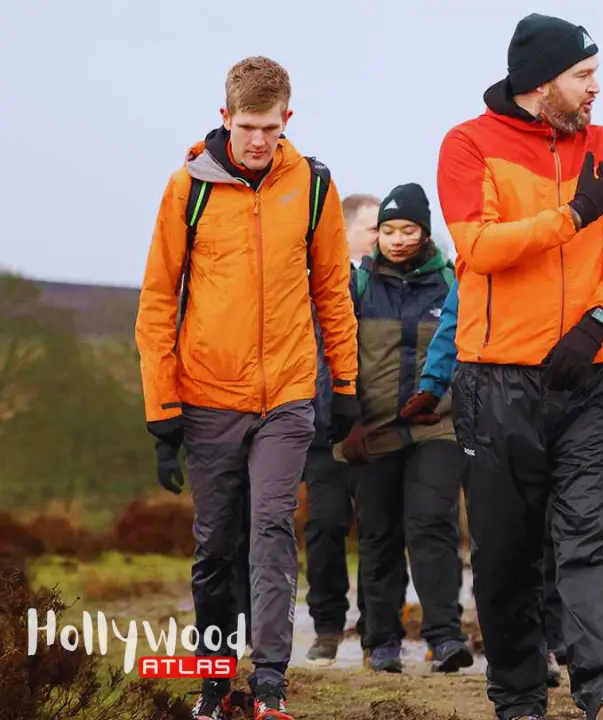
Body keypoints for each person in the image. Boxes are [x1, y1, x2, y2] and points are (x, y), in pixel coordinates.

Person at [431, 12, 603, 720]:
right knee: (505, 552)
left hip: (591, 376)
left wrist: (597, 325)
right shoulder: (467, 145)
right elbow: (479, 246)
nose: (596, 87)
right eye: (583, 75)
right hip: (495, 381)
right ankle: (520, 694)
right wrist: (571, 214)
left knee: (590, 535)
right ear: (541, 82)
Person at [136, 56, 359, 720]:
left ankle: (269, 682)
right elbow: (156, 301)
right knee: (216, 544)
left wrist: (342, 384)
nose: (258, 141)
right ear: (224, 117)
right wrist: (162, 408)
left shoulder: (313, 186)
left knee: (269, 531)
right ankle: (212, 681)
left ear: (287, 119)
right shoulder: (189, 189)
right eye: (247, 127)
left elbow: (332, 293)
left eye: (270, 127)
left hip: (289, 393)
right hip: (207, 396)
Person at [402, 283, 569, 691]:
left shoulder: (571, 254)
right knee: (505, 538)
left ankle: (550, 642)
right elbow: (454, 323)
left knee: (554, 534)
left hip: (565, 403)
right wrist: (432, 384)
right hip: (493, 407)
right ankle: (517, 650)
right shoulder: (483, 254)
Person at [335, 182, 473, 675]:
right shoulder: (358, 286)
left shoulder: (451, 283)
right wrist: (339, 414)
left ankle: (445, 636)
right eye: (388, 229)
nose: (395, 238)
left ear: (424, 231)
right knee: (379, 533)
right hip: (372, 429)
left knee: (432, 524)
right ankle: (382, 640)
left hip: (436, 426)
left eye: (407, 229)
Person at [303, 192, 412, 667]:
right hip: (323, 429)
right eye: (373, 228)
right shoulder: (316, 284)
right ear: (344, 232)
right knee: (325, 527)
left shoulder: (397, 284)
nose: (383, 237)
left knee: (381, 532)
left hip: (382, 430)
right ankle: (327, 627)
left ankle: (378, 633)